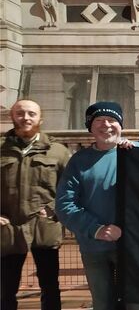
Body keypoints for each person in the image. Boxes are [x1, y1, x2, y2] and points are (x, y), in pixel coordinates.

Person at [55, 102, 139, 310]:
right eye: (99, 120)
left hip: (134, 248)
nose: (106, 125)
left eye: (112, 120)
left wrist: (137, 158)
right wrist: (96, 229)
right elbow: (64, 204)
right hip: (95, 248)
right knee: (103, 303)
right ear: (90, 126)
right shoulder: (79, 161)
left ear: (121, 125)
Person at [1, 100, 71, 310]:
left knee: (50, 286)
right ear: (13, 117)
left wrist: (54, 211)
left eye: (31, 113)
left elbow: (69, 188)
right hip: (9, 228)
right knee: (5, 289)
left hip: (44, 226)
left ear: (40, 118)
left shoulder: (57, 151)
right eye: (20, 113)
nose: (26, 118)